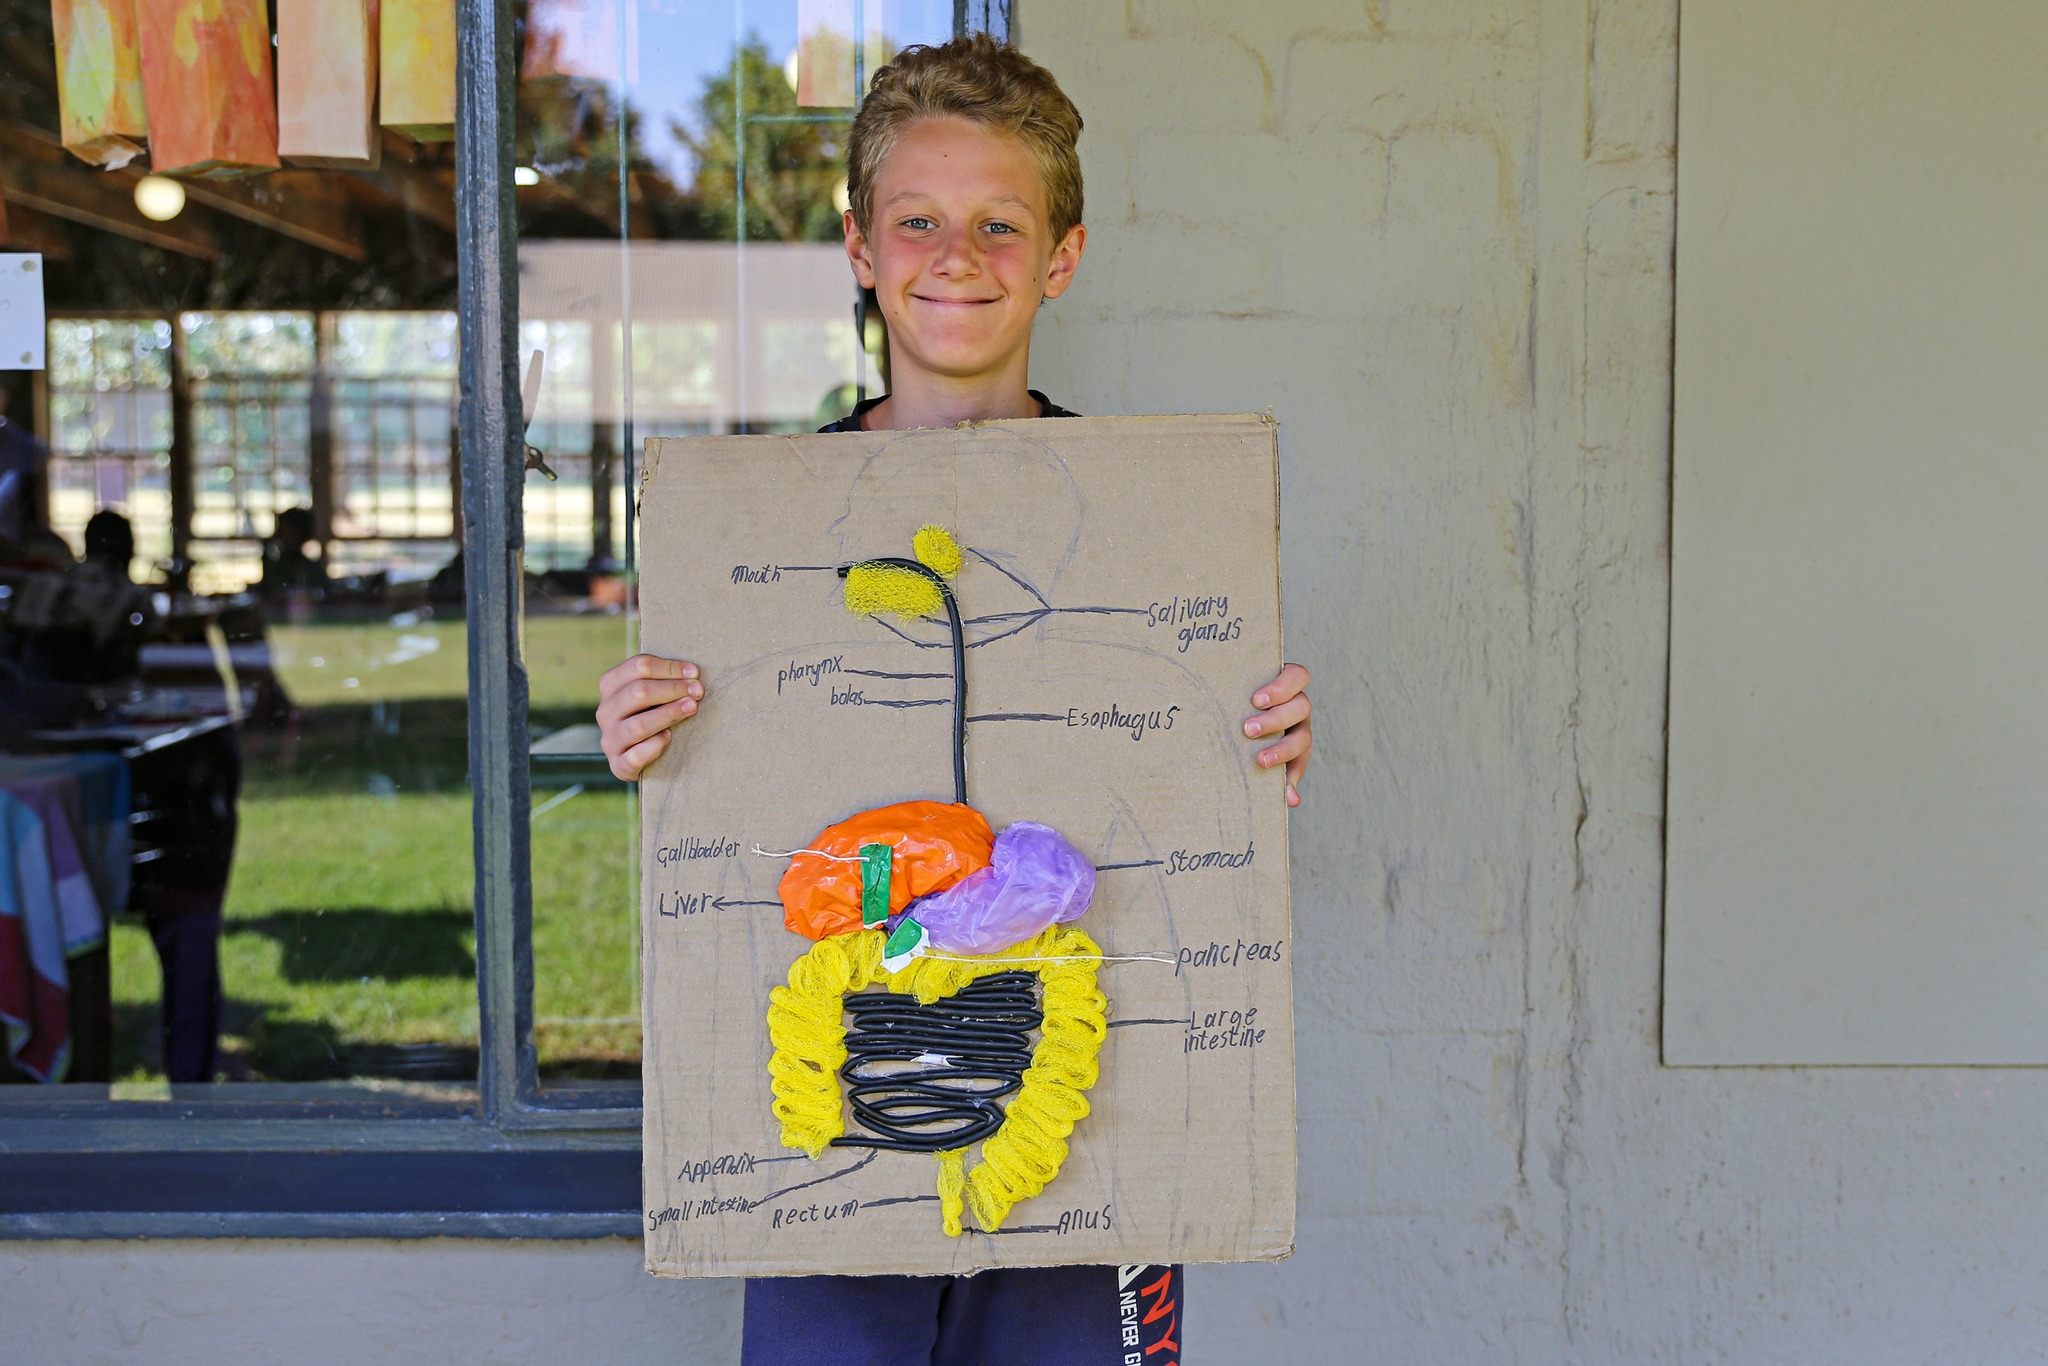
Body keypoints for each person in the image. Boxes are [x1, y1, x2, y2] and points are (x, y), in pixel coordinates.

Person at [596, 36, 1313, 1364]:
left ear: (1063, 257)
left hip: (1083, 1132)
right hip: (833, 1141)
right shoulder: (758, 538)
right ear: (860, 248)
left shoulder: (1156, 533)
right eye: (917, 221)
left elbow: (1188, 793)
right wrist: (653, 731)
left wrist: (1251, 736)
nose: (958, 256)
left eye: (1000, 224)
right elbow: (730, 804)